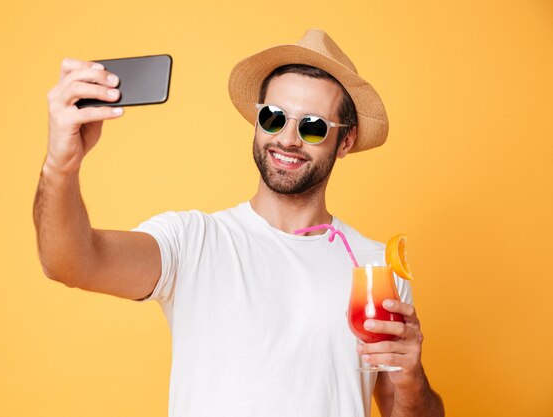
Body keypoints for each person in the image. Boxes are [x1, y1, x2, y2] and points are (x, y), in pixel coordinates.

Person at [33, 29, 444, 417]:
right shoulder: (193, 242)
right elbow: (70, 262)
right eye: (273, 117)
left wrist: (411, 382)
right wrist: (60, 166)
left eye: (313, 127)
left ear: (346, 141)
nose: (287, 139)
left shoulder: (375, 270)